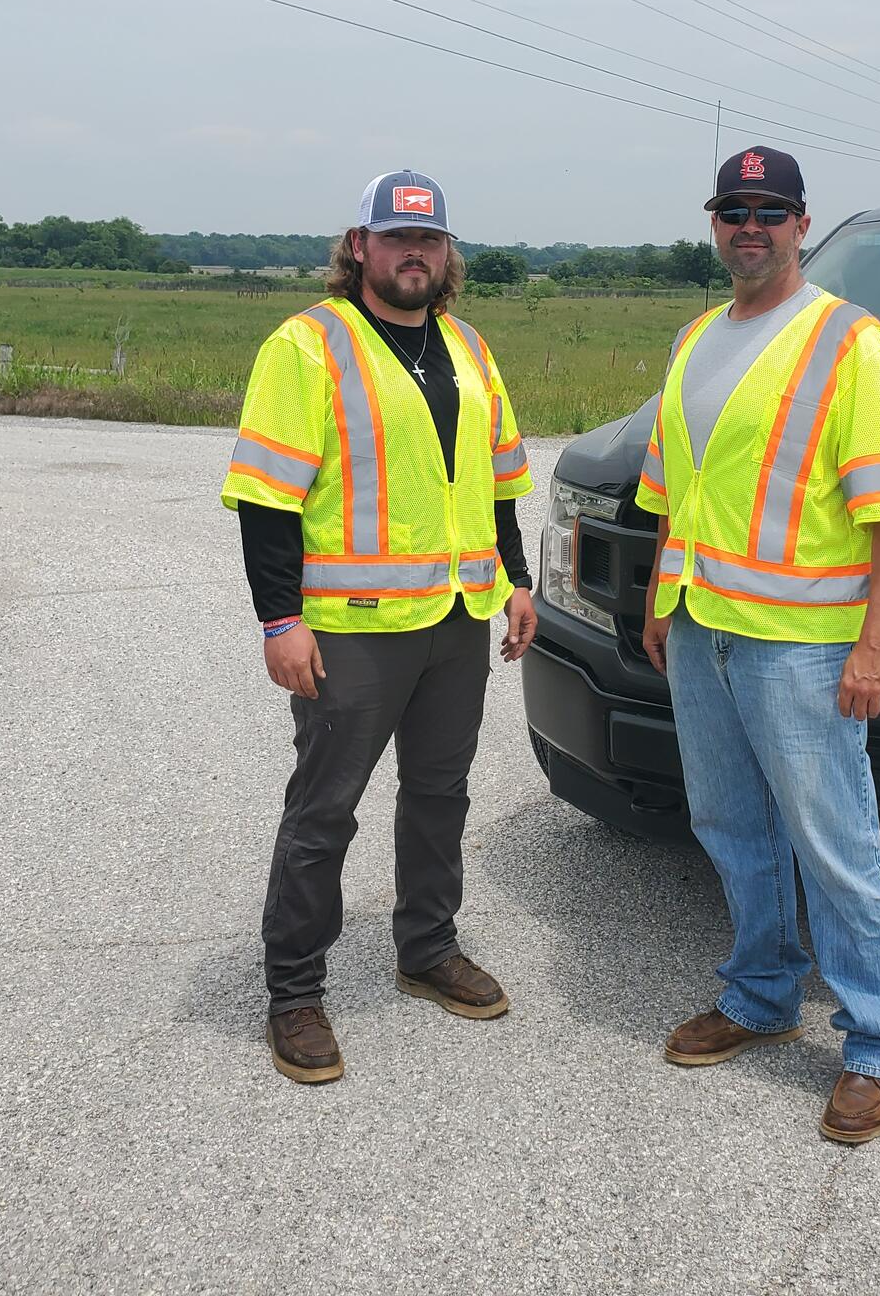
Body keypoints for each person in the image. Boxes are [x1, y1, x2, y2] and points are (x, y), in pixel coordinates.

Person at [638, 146, 880, 1143]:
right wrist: (658, 595)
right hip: (702, 630)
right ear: (713, 222)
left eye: (770, 210)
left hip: (804, 647)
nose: (751, 226)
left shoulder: (848, 342)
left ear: (803, 225)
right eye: (734, 209)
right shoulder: (695, 339)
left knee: (833, 843)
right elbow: (677, 492)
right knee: (730, 828)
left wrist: (876, 646)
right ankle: (760, 996)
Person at [221, 169, 536, 1085]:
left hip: (454, 617)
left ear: (447, 254)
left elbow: (497, 482)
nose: (414, 254)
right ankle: (295, 992)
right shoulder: (308, 345)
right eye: (395, 239)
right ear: (358, 247)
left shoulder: (469, 349)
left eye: (429, 240)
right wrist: (281, 620)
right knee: (324, 812)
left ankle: (427, 949)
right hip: (350, 628)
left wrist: (514, 580)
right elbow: (266, 499)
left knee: (441, 796)